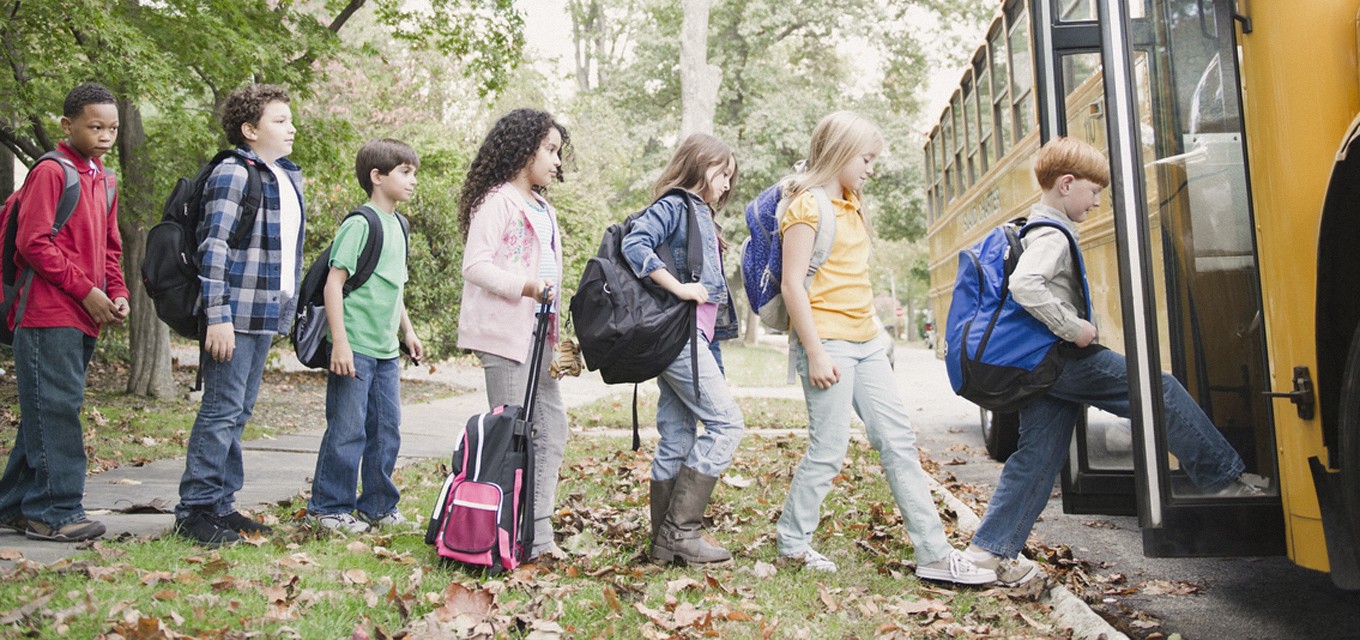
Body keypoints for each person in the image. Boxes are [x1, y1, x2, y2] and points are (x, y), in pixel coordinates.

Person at [964, 136, 1263, 585]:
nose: (1098, 201)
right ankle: (1223, 479)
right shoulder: (1051, 234)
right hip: (1062, 358)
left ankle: (988, 553)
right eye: (1093, 190)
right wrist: (1074, 328)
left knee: (1038, 458)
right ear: (1066, 184)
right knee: (1157, 389)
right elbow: (1025, 285)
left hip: (1041, 366)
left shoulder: (1037, 226)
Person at [775, 111, 995, 585]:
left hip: (868, 343)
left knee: (898, 442)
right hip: (828, 342)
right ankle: (792, 543)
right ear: (840, 153)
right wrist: (815, 352)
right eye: (866, 158)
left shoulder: (852, 204)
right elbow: (792, 285)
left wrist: (876, 330)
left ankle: (934, 553)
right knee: (828, 449)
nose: (871, 169)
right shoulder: (807, 207)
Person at [173, 84, 305, 547]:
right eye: (280, 121)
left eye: (290, 120)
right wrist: (218, 315)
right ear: (250, 130)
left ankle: (221, 504)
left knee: (239, 411)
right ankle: (194, 509)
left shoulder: (283, 175)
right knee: (221, 409)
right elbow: (214, 246)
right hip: (234, 313)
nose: (291, 128)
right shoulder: (234, 172)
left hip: (264, 311)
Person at [0, 82, 130, 542]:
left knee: (45, 409)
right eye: (95, 127)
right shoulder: (52, 172)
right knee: (56, 412)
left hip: (86, 314)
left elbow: (111, 248)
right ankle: (54, 511)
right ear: (68, 125)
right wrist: (86, 290)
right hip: (45, 313)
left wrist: (116, 292)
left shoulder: (105, 180)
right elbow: (32, 243)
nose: (105, 136)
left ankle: (13, 507)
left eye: (112, 128)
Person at [622, 133, 746, 564]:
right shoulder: (675, 205)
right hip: (680, 338)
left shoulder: (701, 214)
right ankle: (680, 533)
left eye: (730, 177)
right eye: (722, 173)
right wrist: (678, 287)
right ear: (698, 164)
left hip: (698, 340)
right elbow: (634, 243)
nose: (726, 184)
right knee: (727, 425)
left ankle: (664, 543)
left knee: (677, 437)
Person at [457, 108, 571, 559]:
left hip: (539, 334)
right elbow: (475, 265)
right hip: (503, 335)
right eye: (550, 150)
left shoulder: (544, 208)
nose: (557, 161)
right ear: (524, 150)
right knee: (510, 436)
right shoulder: (497, 201)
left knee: (552, 428)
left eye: (559, 152)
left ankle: (537, 534)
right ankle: (497, 535)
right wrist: (526, 287)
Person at [306, 138, 424, 534]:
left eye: (414, 173)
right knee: (347, 429)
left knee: (386, 430)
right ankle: (328, 508)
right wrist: (339, 342)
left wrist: (408, 331)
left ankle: (378, 506)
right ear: (377, 176)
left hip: (386, 350)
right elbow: (333, 284)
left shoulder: (400, 226)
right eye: (405, 172)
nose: (412, 181)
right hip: (354, 345)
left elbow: (393, 286)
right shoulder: (360, 223)